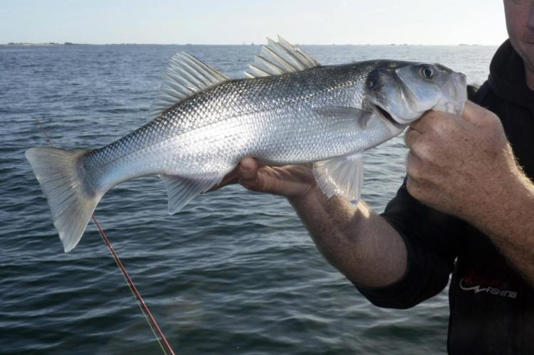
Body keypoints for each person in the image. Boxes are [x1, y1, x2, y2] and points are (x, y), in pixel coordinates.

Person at [217, 1, 534, 353]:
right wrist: (313, 191)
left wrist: (498, 199)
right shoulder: (479, 115)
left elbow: (496, 201)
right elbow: (409, 271)